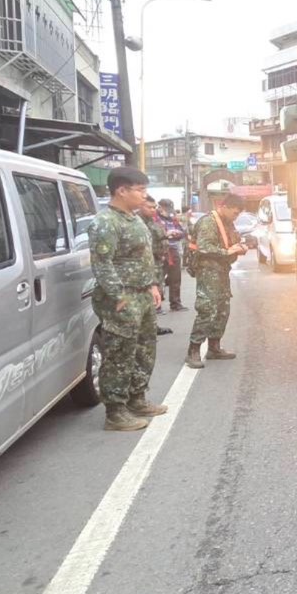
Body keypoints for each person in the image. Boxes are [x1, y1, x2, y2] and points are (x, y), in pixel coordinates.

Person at [90, 167, 167, 431]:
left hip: (142, 294)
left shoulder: (134, 220)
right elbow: (102, 264)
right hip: (122, 298)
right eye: (141, 190)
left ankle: (137, 398)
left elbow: (143, 257)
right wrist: (118, 296)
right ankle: (115, 411)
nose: (145, 196)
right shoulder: (105, 222)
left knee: (144, 349)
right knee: (119, 354)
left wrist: (153, 285)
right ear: (122, 190)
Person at [185, 193, 247, 370]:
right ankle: (194, 350)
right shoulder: (208, 222)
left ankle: (214, 347)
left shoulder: (228, 223)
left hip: (221, 271)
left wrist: (240, 246)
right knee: (207, 309)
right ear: (224, 206)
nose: (236, 216)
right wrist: (228, 252)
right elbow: (204, 247)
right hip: (208, 271)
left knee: (222, 309)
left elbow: (233, 241)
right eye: (235, 213)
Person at [140, 197, 174, 336]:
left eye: (154, 207)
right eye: (149, 207)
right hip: (148, 263)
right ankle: (145, 328)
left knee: (158, 292)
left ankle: (153, 325)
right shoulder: (139, 223)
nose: (153, 210)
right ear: (141, 206)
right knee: (148, 297)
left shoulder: (152, 221)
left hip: (158, 262)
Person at [155, 198, 188, 311]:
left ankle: (175, 303)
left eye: (169, 209)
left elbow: (182, 232)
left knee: (175, 278)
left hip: (173, 250)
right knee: (158, 279)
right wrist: (166, 234)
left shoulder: (173, 219)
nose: (168, 212)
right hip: (160, 251)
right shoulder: (154, 219)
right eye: (165, 209)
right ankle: (156, 306)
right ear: (159, 207)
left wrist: (176, 233)